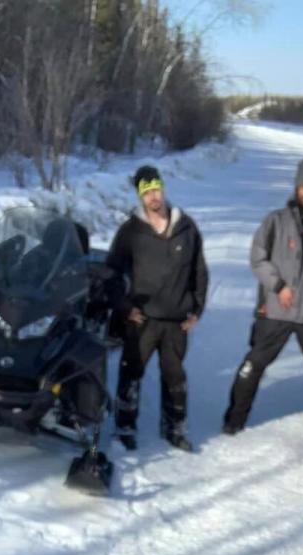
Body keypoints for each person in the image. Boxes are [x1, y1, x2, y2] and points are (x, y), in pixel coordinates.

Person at [223, 157, 303, 439]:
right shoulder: (275, 221)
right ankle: (233, 420)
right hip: (276, 309)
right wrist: (278, 286)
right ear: (295, 188)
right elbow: (257, 258)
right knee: (253, 364)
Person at [106, 165, 208, 452]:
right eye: (147, 192)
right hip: (142, 319)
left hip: (176, 320)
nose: (154, 196)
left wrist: (197, 309)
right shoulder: (130, 231)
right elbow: (112, 273)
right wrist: (125, 307)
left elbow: (200, 271)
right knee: (131, 374)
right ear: (141, 196)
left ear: (163, 189)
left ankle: (174, 429)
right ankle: (125, 428)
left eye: (156, 189)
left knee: (175, 376)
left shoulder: (187, 228)